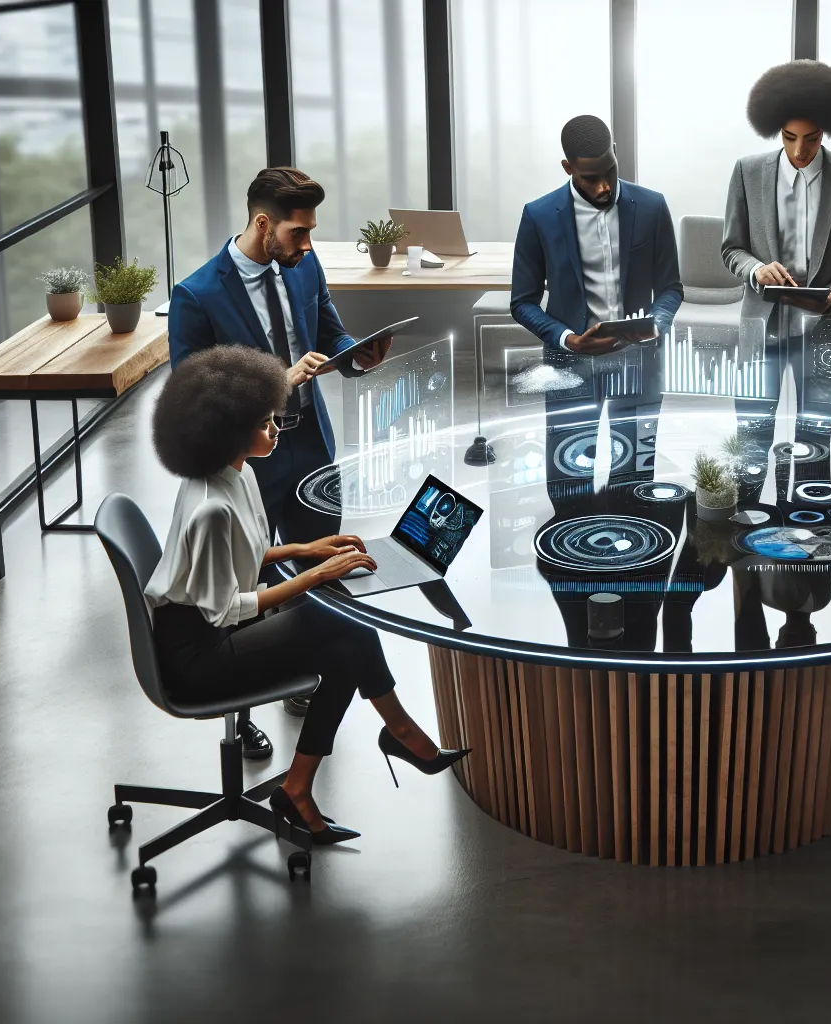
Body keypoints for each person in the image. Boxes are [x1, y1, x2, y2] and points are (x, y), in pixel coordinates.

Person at [143, 346, 468, 844]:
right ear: (227, 432)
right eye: (264, 423)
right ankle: (400, 734)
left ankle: (301, 787)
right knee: (341, 625)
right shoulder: (210, 508)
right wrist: (317, 574)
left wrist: (304, 549)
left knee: (344, 645)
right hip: (197, 655)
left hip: (213, 626)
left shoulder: (237, 473)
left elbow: (246, 554)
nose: (276, 429)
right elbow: (226, 609)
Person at [169, 167, 393, 735]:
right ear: (264, 224)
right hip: (248, 460)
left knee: (318, 564)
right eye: (299, 232)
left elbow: (330, 332)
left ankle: (305, 674)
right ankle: (238, 712)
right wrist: (277, 382)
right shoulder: (197, 295)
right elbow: (191, 398)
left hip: (312, 442)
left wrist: (355, 353)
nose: (308, 244)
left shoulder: (304, 266)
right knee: (242, 581)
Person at [511, 114, 684, 500]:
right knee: (569, 484)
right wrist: (568, 339)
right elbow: (522, 302)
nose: (604, 186)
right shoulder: (539, 216)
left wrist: (654, 324)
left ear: (615, 153)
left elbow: (671, 288)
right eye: (591, 178)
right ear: (567, 168)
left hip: (639, 362)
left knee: (635, 483)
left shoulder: (652, 207)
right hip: (570, 364)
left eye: (610, 171)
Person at [721, 60, 831, 460]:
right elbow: (731, 249)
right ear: (776, 129)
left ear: (827, 130)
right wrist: (756, 269)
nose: (799, 150)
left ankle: (812, 504)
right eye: (789, 137)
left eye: (811, 138)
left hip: (823, 329)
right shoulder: (747, 172)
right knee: (750, 446)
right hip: (761, 329)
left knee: (815, 449)